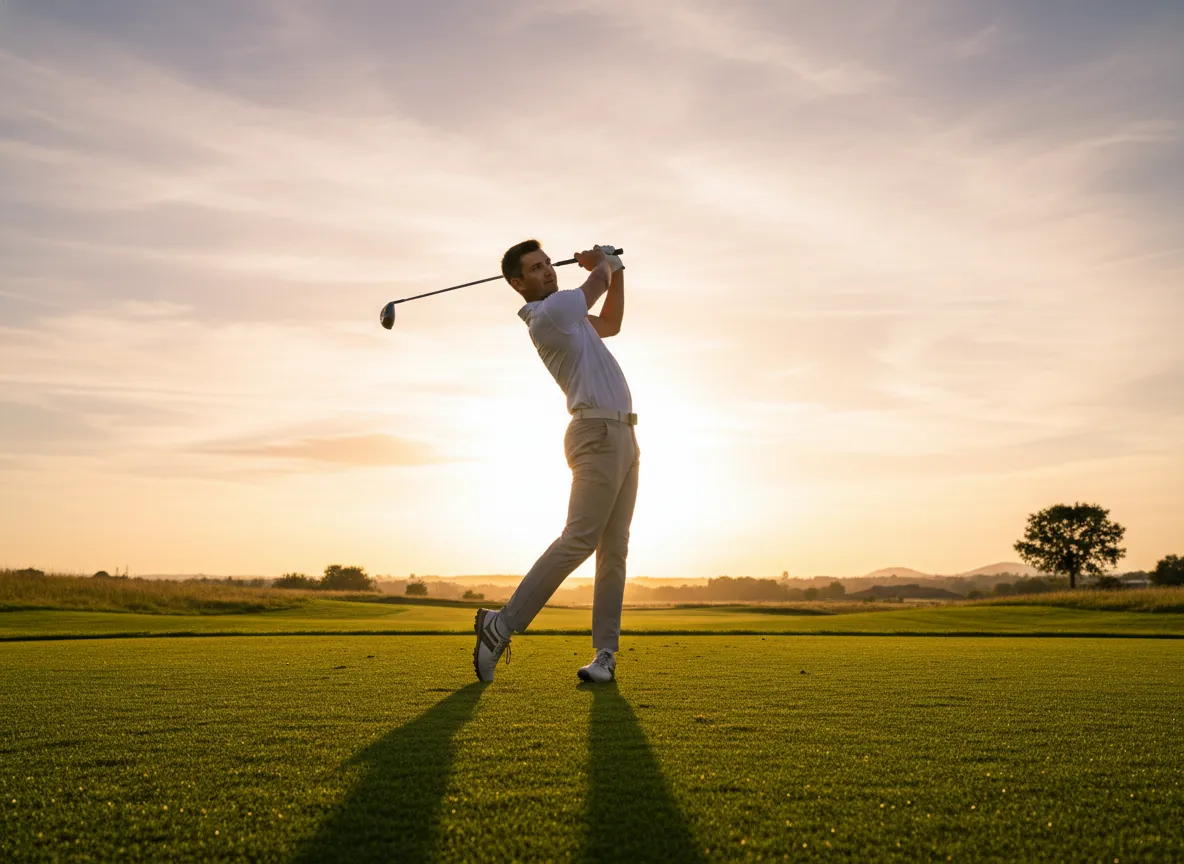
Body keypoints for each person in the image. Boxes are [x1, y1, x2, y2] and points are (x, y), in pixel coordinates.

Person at [473, 240, 638, 684]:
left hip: (624, 435)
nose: (547, 270)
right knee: (580, 539)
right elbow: (595, 284)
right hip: (597, 433)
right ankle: (501, 625)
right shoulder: (551, 314)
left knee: (614, 549)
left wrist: (615, 269)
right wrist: (601, 264)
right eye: (535, 268)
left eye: (547, 263)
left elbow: (612, 323)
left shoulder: (570, 317)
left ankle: (604, 653)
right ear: (517, 283)